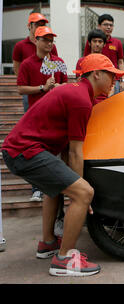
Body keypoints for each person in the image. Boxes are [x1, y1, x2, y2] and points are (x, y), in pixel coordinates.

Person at [2, 54, 124, 277]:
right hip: (25, 151)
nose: (114, 81)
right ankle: (65, 258)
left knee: (56, 190)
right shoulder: (81, 100)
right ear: (96, 74)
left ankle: (48, 243)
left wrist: (71, 185)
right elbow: (76, 153)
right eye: (111, 75)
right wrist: (79, 193)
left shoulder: (76, 91)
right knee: (83, 192)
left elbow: (68, 150)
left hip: (20, 150)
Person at [16, 26, 68, 202]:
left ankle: (60, 188)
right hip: (35, 117)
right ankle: (37, 189)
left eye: (51, 39)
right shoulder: (27, 64)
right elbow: (21, 89)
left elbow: (66, 85)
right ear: (35, 41)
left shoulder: (58, 62)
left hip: (56, 116)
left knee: (56, 154)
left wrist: (56, 87)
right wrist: (42, 88)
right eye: (45, 39)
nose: (49, 43)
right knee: (35, 154)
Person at [12, 12, 58, 112]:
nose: (40, 27)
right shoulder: (20, 46)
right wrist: (25, 83)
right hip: (30, 90)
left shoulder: (51, 46)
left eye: (43, 24)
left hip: (49, 88)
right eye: (37, 24)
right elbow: (16, 67)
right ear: (29, 26)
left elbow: (54, 65)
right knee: (30, 117)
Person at [83, 14, 124, 93]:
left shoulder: (117, 43)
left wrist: (122, 80)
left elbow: (120, 62)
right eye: (105, 25)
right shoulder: (91, 42)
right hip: (95, 79)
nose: (109, 27)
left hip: (114, 80)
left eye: (111, 25)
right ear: (99, 26)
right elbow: (86, 59)